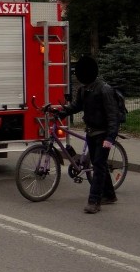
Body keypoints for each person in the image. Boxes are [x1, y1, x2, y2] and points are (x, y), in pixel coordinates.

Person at [50, 56, 119, 214]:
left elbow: (113, 116)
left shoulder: (104, 89)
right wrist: (61, 112)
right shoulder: (84, 89)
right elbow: (76, 106)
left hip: (103, 134)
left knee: (99, 165)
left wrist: (110, 138)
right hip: (91, 132)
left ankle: (94, 201)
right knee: (98, 164)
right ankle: (109, 195)